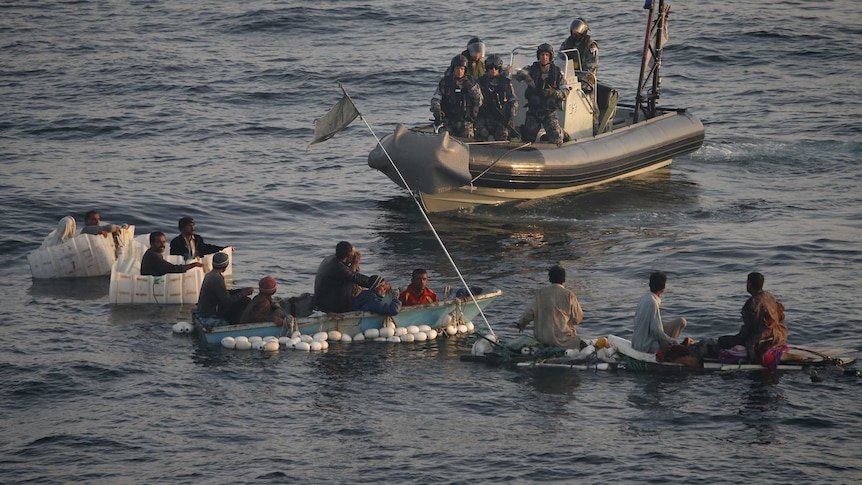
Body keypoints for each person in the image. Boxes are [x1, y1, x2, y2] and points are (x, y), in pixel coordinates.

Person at [717, 272, 789, 363]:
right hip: (779, 336)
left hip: (762, 340)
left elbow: (748, 330)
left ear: (749, 285)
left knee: (722, 341)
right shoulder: (769, 296)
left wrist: (737, 339)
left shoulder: (752, 303)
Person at [514, 43, 569, 145]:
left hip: (549, 111)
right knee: (527, 138)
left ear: (550, 57)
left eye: (546, 55)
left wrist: (553, 93)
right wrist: (526, 76)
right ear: (538, 56)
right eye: (542, 55)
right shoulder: (532, 69)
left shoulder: (557, 73)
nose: (544, 57)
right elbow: (518, 75)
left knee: (556, 137)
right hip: (534, 110)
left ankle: (563, 136)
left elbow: (565, 92)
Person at [516, 265, 584, 348]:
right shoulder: (569, 295)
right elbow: (577, 319)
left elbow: (528, 313)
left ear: (549, 278)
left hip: (542, 340)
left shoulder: (540, 293)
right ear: (564, 279)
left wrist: (522, 324)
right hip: (564, 342)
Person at [313, 241, 383, 313]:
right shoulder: (340, 269)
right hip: (329, 306)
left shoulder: (330, 259)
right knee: (352, 284)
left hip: (322, 301)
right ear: (349, 255)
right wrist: (379, 282)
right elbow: (357, 278)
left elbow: (349, 274)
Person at [631, 271, 689, 354]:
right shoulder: (652, 303)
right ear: (663, 288)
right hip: (647, 347)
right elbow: (656, 332)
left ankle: (670, 345)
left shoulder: (644, 299)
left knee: (681, 322)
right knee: (673, 340)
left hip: (636, 343)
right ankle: (669, 350)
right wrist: (673, 341)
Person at [430, 54, 484, 139]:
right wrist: (437, 110)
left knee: (468, 138)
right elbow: (435, 99)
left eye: (462, 69)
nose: (459, 71)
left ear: (465, 70)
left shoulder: (471, 83)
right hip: (449, 120)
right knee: (444, 138)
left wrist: (471, 88)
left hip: (466, 121)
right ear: (453, 69)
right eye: (457, 69)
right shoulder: (445, 83)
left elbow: (479, 101)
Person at [197, 252, 253, 324]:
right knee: (245, 301)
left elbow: (223, 292)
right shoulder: (216, 278)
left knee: (241, 298)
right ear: (225, 266)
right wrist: (244, 293)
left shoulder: (210, 274)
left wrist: (241, 291)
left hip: (206, 308)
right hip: (210, 311)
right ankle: (235, 324)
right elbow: (227, 300)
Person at [475, 54, 519, 141]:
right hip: (485, 116)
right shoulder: (480, 83)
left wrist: (511, 114)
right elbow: (476, 99)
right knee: (481, 132)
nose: (493, 70)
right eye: (491, 68)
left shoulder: (506, 83)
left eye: (496, 68)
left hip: (501, 117)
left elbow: (513, 100)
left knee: (503, 133)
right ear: (487, 69)